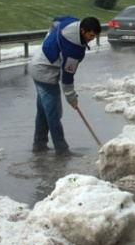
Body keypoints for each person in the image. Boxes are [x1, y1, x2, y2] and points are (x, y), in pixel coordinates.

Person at [28, 16, 101, 156]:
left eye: (95, 36)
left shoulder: (71, 22)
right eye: (90, 35)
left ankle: (39, 145)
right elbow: (67, 78)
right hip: (45, 72)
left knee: (44, 111)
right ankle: (62, 150)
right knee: (54, 113)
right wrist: (71, 98)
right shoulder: (74, 49)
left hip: (36, 64)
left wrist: (50, 39)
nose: (92, 38)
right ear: (82, 30)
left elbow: (56, 21)